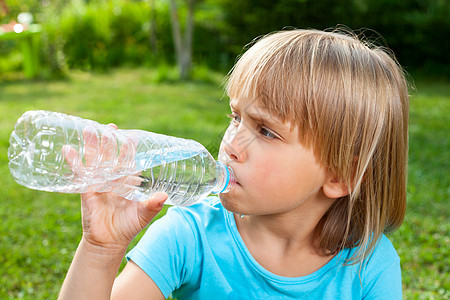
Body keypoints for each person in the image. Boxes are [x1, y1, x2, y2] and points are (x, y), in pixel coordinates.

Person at [58, 28, 409, 299]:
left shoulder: (368, 266)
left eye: (267, 131)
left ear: (340, 175)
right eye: (236, 117)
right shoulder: (190, 233)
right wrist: (101, 249)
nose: (231, 145)